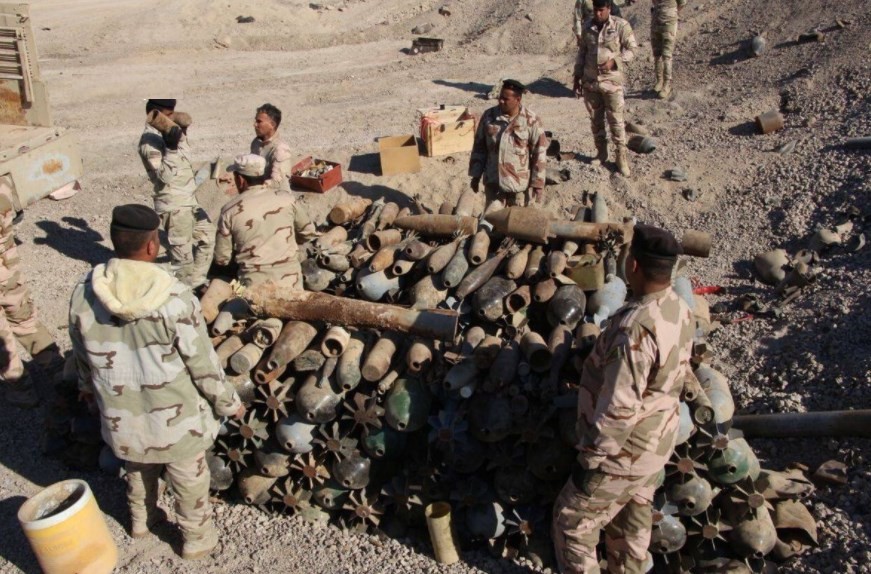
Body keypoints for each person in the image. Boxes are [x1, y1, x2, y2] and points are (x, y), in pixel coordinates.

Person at [69, 204, 244, 559]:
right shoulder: (175, 298)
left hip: (122, 414)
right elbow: (202, 364)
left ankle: (141, 520)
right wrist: (229, 403)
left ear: (115, 241)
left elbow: (81, 354)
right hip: (175, 418)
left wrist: (88, 390)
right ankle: (195, 539)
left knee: (136, 466)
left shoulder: (85, 293)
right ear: (153, 245)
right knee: (189, 477)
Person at [551, 224, 694, 574]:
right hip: (657, 443)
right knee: (630, 527)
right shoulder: (677, 307)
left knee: (571, 522)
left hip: (623, 453)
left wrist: (592, 459)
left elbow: (620, 406)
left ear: (633, 265)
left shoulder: (635, 329)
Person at [138, 98, 216, 288]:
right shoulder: (149, 142)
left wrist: (182, 134)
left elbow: (186, 157)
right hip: (174, 207)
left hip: (189, 200)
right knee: (183, 262)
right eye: (168, 114)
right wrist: (171, 149)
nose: (172, 118)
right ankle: (179, 292)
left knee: (208, 238)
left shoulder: (169, 132)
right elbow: (164, 177)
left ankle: (195, 284)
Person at [0, 182, 61, 407]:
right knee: (24, 320)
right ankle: (58, 371)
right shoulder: (3, 185)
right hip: (8, 270)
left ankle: (21, 389)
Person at [215, 154, 316, 289]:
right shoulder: (287, 199)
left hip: (255, 286)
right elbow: (308, 232)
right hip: (291, 281)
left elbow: (222, 259)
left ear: (240, 179)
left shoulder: (229, 211)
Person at [573, 0, 638, 177]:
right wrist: (577, 77)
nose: (597, 14)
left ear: (609, 8)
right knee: (596, 120)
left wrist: (615, 62)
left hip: (612, 83)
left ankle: (621, 157)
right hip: (591, 82)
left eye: (601, 10)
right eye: (595, 10)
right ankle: (601, 153)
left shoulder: (620, 25)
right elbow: (582, 53)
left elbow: (632, 49)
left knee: (616, 120)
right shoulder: (587, 26)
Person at [469, 79, 547, 208]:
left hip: (518, 186)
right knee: (491, 217)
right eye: (500, 97)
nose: (501, 101)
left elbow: (539, 152)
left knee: (516, 219)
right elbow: (479, 147)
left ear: (518, 99)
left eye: (505, 99)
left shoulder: (531, 120)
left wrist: (538, 184)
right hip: (494, 183)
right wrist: (475, 175)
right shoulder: (489, 116)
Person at [250, 103, 293, 192]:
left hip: (277, 196)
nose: (255, 125)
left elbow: (277, 183)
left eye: (259, 121)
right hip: (259, 192)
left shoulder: (280, 149)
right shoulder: (256, 143)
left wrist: (253, 188)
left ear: (272, 125)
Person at [651, 0, 687, 99]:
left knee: (666, 55)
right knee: (656, 54)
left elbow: (682, 2)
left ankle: (667, 85)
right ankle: (659, 81)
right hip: (656, 21)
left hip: (669, 22)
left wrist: (672, 11)